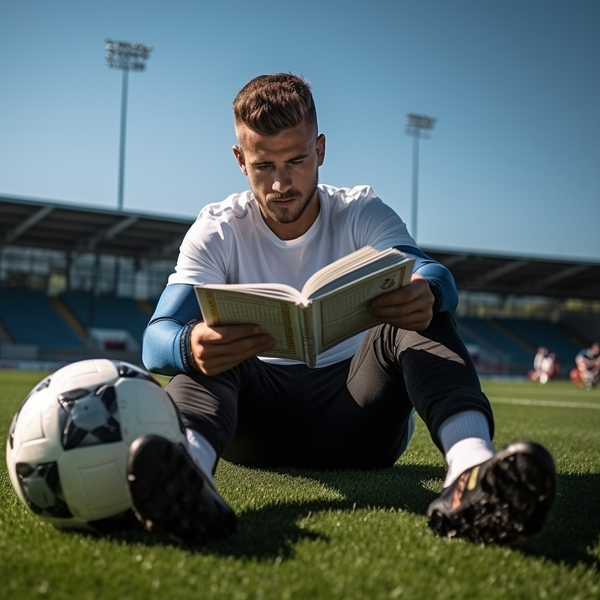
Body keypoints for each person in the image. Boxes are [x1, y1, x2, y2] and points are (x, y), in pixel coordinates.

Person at [128, 73, 556, 545]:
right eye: (262, 165)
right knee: (205, 345)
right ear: (239, 159)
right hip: (254, 425)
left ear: (322, 149)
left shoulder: (361, 211)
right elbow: (156, 338)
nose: (281, 183)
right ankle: (187, 478)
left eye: (297, 160)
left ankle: (471, 470)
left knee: (420, 310)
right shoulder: (218, 228)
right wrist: (190, 346)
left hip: (360, 416)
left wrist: (427, 293)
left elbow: (437, 275)